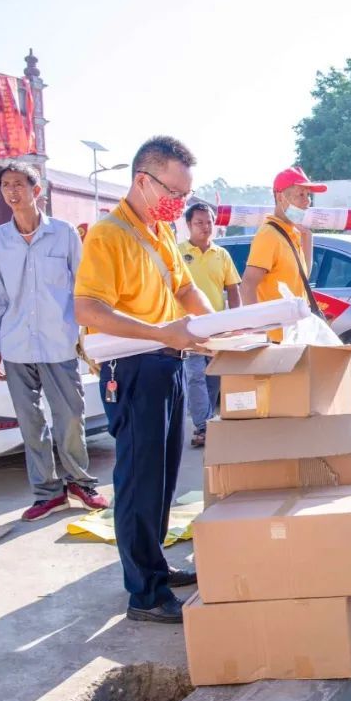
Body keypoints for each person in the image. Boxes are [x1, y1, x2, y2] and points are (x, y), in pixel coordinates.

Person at [74, 136, 214, 624]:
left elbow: (186, 289)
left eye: (185, 194)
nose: (179, 202)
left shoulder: (161, 232)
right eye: (173, 192)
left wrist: (219, 327)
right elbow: (88, 308)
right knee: (138, 480)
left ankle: (154, 565)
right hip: (131, 367)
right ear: (143, 181)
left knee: (164, 476)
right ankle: (145, 594)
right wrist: (159, 333)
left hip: (168, 362)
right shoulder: (108, 235)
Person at [0, 161, 106, 522]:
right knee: (30, 423)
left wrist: (88, 337)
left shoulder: (64, 234)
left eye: (19, 184)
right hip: (16, 344)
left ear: (36, 190)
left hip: (58, 342)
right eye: (6, 185)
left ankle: (81, 483)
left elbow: (83, 287)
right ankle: (47, 493)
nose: (12, 191)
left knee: (70, 417)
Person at [179, 202, 242, 448]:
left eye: (209, 222)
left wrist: (237, 322)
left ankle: (208, 422)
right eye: (199, 223)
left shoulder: (222, 254)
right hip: (188, 327)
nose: (205, 227)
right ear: (188, 225)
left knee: (213, 375)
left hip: (217, 328)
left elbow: (233, 289)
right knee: (195, 375)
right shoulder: (178, 252)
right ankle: (203, 426)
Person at [240, 166, 325, 342]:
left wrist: (307, 236)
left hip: (294, 337)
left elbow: (302, 277)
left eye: (308, 195)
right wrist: (258, 332)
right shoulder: (269, 234)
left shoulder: (292, 233)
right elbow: (247, 285)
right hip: (276, 340)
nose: (307, 201)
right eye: (300, 195)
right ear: (280, 197)